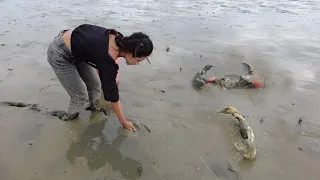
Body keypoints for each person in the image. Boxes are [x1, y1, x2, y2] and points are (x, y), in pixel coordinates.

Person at [47, 24, 153, 131]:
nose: (137, 63)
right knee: (79, 97)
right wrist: (123, 122)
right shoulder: (107, 59)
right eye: (138, 60)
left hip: (77, 49)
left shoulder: (117, 38)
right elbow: (113, 96)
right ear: (131, 52)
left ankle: (95, 109)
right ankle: (69, 120)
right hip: (60, 53)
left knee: (95, 84)